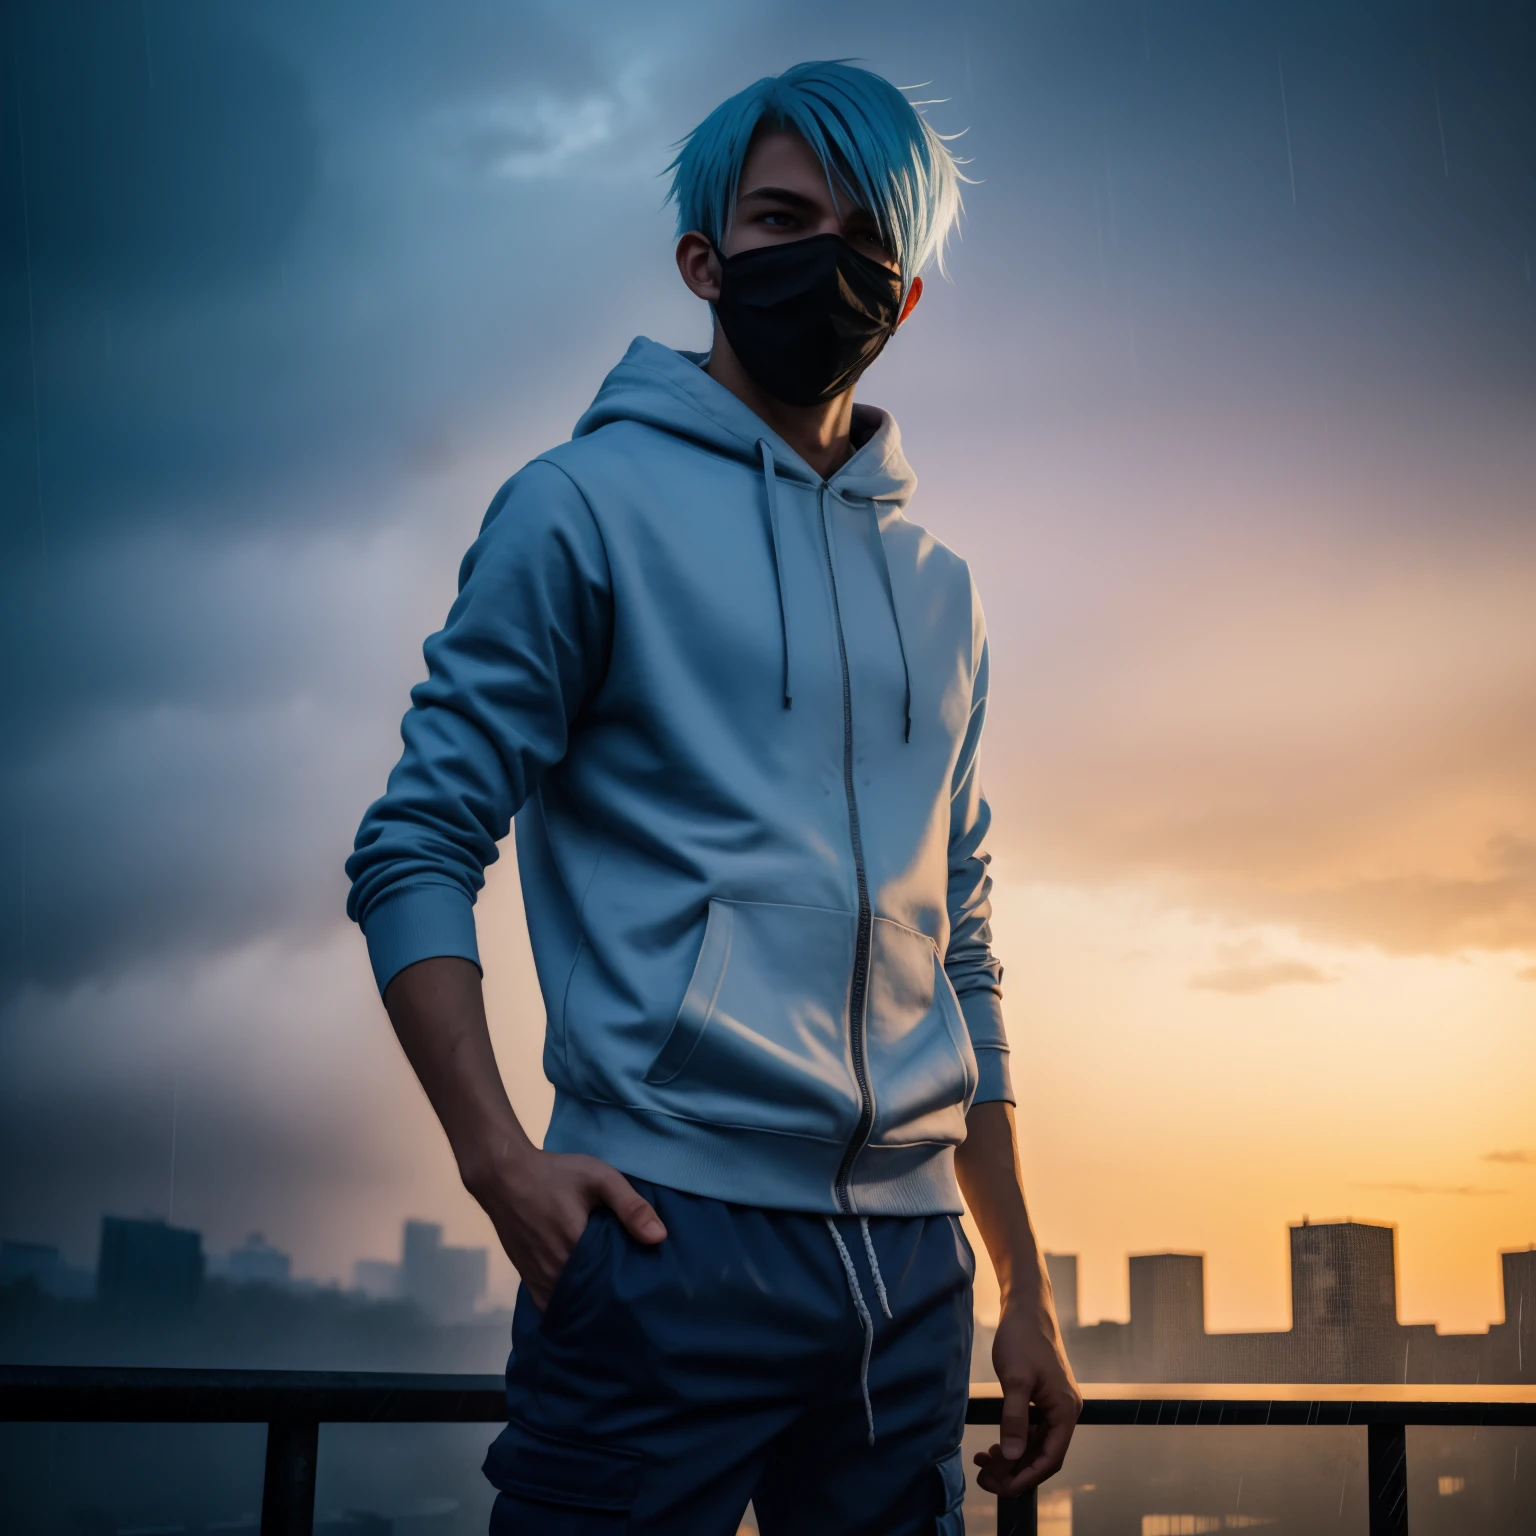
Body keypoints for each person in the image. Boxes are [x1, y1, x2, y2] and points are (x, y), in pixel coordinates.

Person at [347, 59, 1080, 1535]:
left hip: (912, 1271)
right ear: (705, 258)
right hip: (664, 1237)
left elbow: (969, 954)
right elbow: (416, 845)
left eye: (869, 229)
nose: (827, 255)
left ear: (907, 295)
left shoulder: (944, 594)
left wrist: (1026, 1289)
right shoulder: (580, 507)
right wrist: (497, 1161)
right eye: (780, 216)